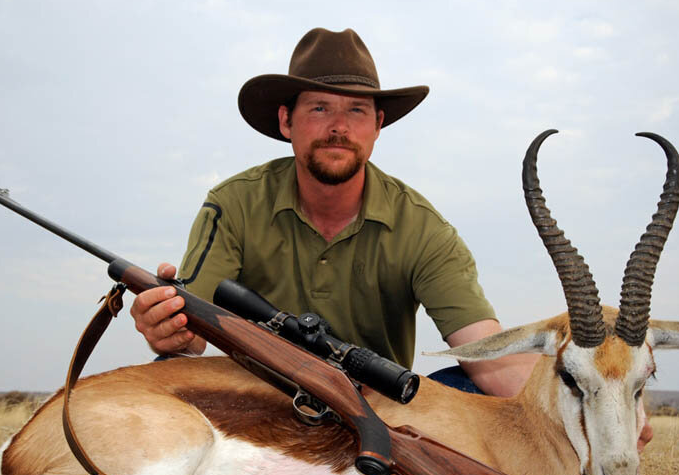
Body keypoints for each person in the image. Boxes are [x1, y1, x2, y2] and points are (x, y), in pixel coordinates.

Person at [129, 27, 652, 446]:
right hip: (258, 395)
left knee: (477, 397)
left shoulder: (421, 225)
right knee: (166, 378)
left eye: (355, 110)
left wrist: (602, 406)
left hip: (377, 405)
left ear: (378, 125)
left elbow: (486, 356)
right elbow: (191, 335)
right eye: (319, 108)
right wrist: (168, 328)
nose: (339, 126)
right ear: (287, 121)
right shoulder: (233, 202)